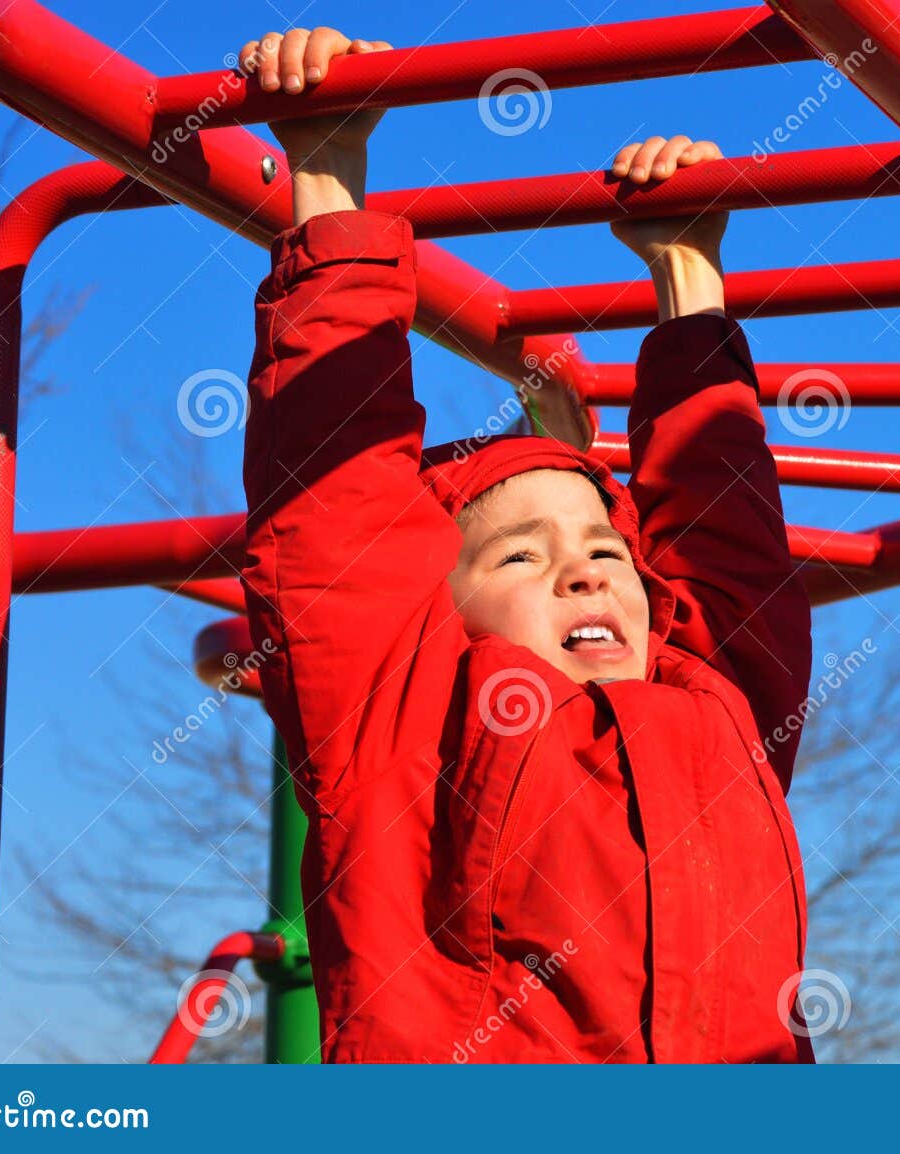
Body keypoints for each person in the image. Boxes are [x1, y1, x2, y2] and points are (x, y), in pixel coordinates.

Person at [238, 26, 814, 1062]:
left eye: (606, 547)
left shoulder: (721, 697)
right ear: (438, 610)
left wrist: (689, 276)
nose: (586, 565)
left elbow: (726, 535)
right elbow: (334, 510)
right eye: (519, 555)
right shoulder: (405, 719)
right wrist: (328, 181)